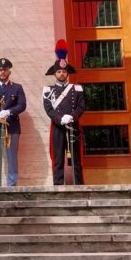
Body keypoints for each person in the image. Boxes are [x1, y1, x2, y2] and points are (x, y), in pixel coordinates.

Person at [43, 48, 86, 185]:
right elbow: (48, 108)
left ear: (67, 73)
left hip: (73, 126)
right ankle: (58, 186)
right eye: (59, 72)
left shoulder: (77, 89)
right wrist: (60, 119)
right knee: (57, 158)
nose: (61, 74)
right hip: (57, 127)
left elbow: (81, 107)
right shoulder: (48, 90)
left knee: (76, 158)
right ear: (54, 74)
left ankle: (79, 185)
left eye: (64, 71)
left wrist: (72, 117)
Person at [0, 57, 26, 187]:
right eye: (0, 69)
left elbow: (22, 105)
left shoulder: (17, 88)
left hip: (12, 126)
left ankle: (12, 186)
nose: (3, 72)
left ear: (9, 72)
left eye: (5, 70)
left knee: (12, 156)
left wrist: (9, 112)